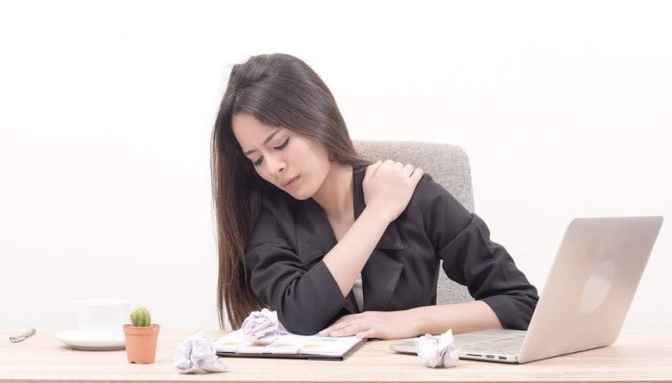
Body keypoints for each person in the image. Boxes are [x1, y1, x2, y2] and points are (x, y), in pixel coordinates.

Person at [211, 53, 538, 339]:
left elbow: (522, 304)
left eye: (280, 143)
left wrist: (412, 322)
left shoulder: (412, 194)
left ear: (318, 117)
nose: (273, 167)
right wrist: (378, 212)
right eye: (256, 158)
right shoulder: (270, 215)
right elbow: (301, 315)